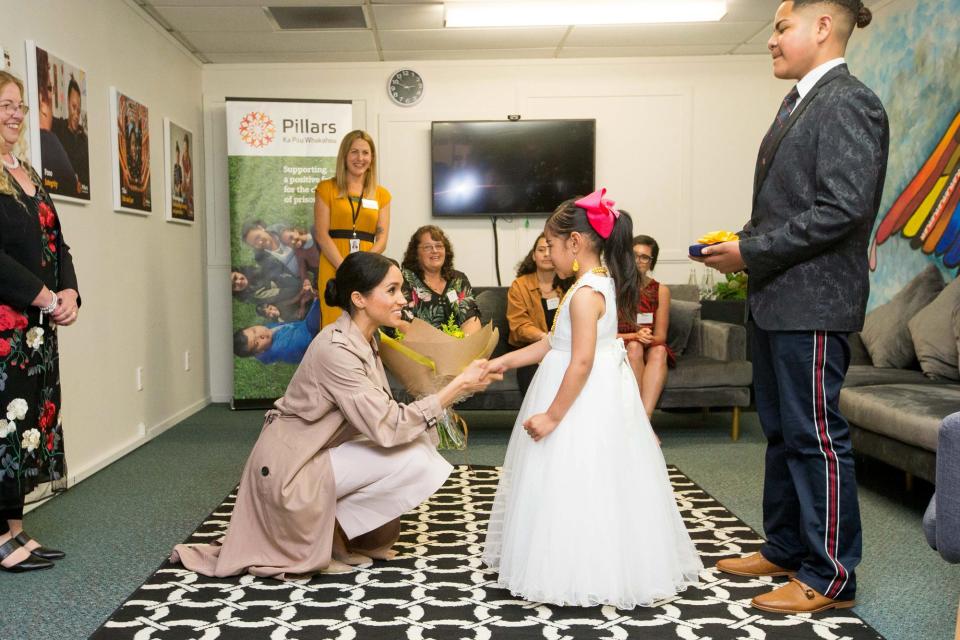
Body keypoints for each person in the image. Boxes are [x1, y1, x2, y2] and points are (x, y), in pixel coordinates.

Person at [695, 0, 889, 614]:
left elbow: (842, 211)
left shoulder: (849, 101)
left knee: (814, 440)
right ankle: (784, 545)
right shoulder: (798, 102)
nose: (772, 41)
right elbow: (796, 208)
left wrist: (750, 252)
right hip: (778, 301)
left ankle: (831, 577)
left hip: (811, 304)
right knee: (781, 435)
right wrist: (741, 241)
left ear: (823, 27)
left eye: (781, 27)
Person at [172, 251, 500, 578]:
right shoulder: (336, 349)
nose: (402, 299)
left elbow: (379, 415)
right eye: (392, 290)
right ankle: (325, 534)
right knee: (417, 458)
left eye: (401, 289)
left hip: (313, 452)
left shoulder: (364, 340)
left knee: (419, 449)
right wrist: (455, 388)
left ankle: (334, 533)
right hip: (290, 469)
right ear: (359, 298)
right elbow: (388, 427)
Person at [482, 189, 702, 608]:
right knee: (587, 477)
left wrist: (551, 416)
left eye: (551, 245)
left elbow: (579, 362)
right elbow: (552, 343)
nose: (548, 254)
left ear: (576, 244)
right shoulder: (593, 283)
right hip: (594, 392)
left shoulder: (584, 294)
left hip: (578, 400)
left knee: (577, 477)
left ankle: (578, 570)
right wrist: (503, 363)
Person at [0, 71, 80, 573]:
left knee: (29, 426)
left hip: (37, 328)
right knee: (4, 430)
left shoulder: (25, 169)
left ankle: (14, 530)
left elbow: (57, 242)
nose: (15, 113)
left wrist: (69, 290)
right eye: (5, 104)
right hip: (6, 329)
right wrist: (45, 295)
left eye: (20, 105)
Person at [315, 130, 391, 328]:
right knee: (334, 322)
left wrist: (363, 269)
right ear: (344, 156)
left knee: (365, 322)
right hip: (333, 263)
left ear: (372, 158)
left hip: (367, 269)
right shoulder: (326, 189)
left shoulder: (382, 195)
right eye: (354, 152)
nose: (360, 158)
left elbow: (381, 240)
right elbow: (322, 235)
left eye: (365, 153)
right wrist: (347, 269)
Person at [617, 235, 673, 418]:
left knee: (660, 351)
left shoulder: (661, 290)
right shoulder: (613, 287)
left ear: (651, 262)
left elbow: (661, 337)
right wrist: (634, 336)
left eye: (644, 257)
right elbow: (603, 333)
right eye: (634, 255)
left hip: (649, 344)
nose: (638, 261)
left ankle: (644, 420)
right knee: (634, 347)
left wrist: (645, 337)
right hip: (621, 343)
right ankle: (637, 419)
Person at [506, 233, 567, 395]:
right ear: (533, 256)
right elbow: (519, 325)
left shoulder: (569, 283)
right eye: (541, 250)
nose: (546, 254)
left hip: (564, 348)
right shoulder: (520, 286)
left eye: (550, 249)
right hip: (531, 349)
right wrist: (543, 338)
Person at [400, 225, 481, 335]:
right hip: (418, 348)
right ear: (416, 254)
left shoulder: (458, 279)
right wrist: (435, 347)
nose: (434, 251)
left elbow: (471, 319)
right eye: (427, 247)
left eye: (439, 246)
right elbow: (401, 322)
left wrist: (462, 344)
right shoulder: (404, 280)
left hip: (458, 348)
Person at [233, 299, 320, 365]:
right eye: (256, 343)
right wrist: (316, 302)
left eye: (254, 331)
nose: (261, 335)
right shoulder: (286, 347)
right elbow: (311, 330)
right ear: (258, 352)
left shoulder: (269, 331)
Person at [50, 77, 89, 191]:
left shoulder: (83, 140)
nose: (76, 114)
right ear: (67, 103)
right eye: (73, 107)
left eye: (78, 109)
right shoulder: (57, 126)